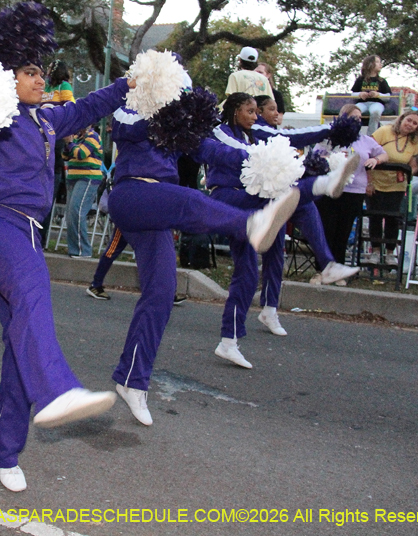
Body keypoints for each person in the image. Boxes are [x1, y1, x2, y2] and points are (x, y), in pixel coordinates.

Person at [0, 1, 120, 493]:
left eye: (41, 71)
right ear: (6, 77)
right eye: (29, 72)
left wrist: (128, 85)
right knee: (32, 288)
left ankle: (3, 449)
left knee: (19, 345)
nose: (40, 79)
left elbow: (87, 107)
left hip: (26, 234)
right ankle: (59, 388)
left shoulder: (46, 122)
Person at [107, 91, 300, 425]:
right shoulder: (130, 112)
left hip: (158, 212)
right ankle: (251, 226)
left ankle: (132, 380)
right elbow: (127, 128)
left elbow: (213, 150)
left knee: (162, 292)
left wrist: (262, 160)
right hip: (132, 196)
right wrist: (158, 113)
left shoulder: (181, 128)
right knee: (190, 201)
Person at [208, 93, 358, 364]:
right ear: (234, 111)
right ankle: (325, 250)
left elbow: (291, 138)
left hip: (254, 202)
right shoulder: (220, 132)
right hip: (229, 200)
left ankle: (229, 341)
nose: (256, 117)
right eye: (250, 111)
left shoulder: (254, 131)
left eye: (257, 112)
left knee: (248, 272)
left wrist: (333, 129)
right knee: (294, 199)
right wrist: (282, 164)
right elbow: (237, 154)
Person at [314, 104, 388, 274]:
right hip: (330, 189)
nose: (358, 120)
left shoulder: (366, 140)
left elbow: (383, 153)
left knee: (344, 231)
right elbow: (317, 155)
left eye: (360, 118)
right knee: (327, 230)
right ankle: (322, 269)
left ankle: (338, 269)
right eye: (354, 117)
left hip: (354, 192)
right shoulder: (329, 137)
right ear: (342, 117)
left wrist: (376, 160)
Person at [367, 110, 418, 265]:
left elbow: (413, 165)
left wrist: (408, 172)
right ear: (402, 119)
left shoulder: (414, 141)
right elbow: (367, 154)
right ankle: (376, 251)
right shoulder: (384, 131)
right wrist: (368, 182)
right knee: (375, 217)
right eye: (409, 120)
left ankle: (390, 253)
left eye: (415, 123)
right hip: (376, 183)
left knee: (393, 218)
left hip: (397, 185)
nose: (410, 125)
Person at [62, 126, 102, 257]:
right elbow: (65, 156)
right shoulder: (77, 137)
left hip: (88, 177)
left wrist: (70, 143)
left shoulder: (93, 136)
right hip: (73, 177)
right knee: (70, 214)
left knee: (77, 211)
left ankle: (83, 250)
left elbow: (81, 154)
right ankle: (74, 249)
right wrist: (68, 143)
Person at [351, 54, 392, 135]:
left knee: (375, 112)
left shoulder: (382, 81)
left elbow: (388, 97)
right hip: (362, 103)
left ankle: (371, 135)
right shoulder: (360, 80)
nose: (380, 64)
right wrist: (360, 94)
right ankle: (354, 134)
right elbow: (353, 94)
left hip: (376, 103)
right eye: (377, 62)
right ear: (370, 64)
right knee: (354, 112)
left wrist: (378, 95)